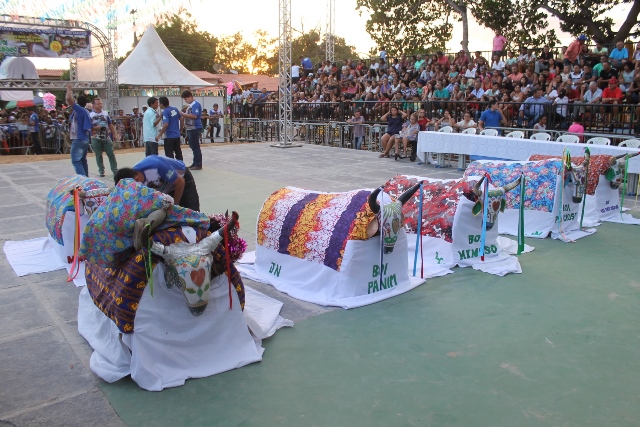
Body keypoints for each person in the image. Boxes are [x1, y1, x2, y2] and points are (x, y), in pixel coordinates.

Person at [114, 155, 200, 211]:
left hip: (182, 179)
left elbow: (180, 182)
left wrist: (175, 206)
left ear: (136, 179)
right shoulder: (133, 180)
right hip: (166, 187)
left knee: (191, 211)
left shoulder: (156, 166)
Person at [65, 83, 92, 176]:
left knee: (76, 160)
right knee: (82, 160)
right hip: (83, 138)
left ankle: (83, 180)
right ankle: (86, 179)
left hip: (79, 139)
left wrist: (69, 89)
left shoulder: (80, 110)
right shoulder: (83, 111)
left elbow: (69, 99)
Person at [89, 97, 118, 177]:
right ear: (93, 105)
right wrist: (95, 128)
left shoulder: (105, 113)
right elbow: (88, 126)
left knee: (111, 154)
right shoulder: (90, 115)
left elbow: (110, 124)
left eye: (101, 103)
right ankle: (101, 170)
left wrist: (114, 133)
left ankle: (115, 169)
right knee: (98, 155)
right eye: (98, 104)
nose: (100, 105)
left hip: (106, 137)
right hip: (95, 138)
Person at [179, 90, 203, 170]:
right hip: (190, 128)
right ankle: (195, 162)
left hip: (194, 127)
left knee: (195, 146)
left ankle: (198, 164)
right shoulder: (190, 105)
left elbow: (194, 116)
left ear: (190, 96)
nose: (186, 101)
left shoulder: (195, 104)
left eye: (186, 99)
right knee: (192, 146)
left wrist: (183, 114)